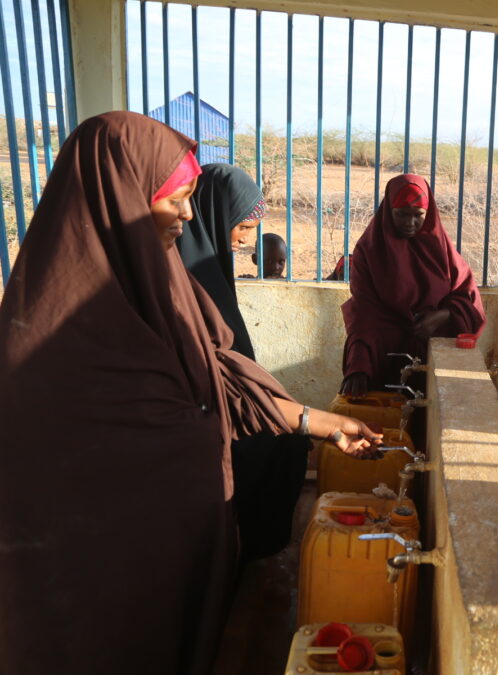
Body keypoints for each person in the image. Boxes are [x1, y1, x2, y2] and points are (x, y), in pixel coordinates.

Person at [0, 112, 382, 674]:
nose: (187, 212)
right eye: (174, 198)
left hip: (180, 564)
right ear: (123, 199)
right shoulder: (49, 333)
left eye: (191, 198)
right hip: (100, 591)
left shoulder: (167, 284)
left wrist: (323, 424)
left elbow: (222, 383)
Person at [177, 163, 311, 564]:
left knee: (286, 433)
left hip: (217, 400)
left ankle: (250, 547)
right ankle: (245, 547)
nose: (245, 241)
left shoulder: (209, 265)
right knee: (275, 440)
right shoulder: (182, 268)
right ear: (216, 216)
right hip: (195, 412)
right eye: (242, 228)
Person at [340, 174, 486, 397]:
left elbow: (468, 298)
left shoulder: (442, 250)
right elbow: (364, 312)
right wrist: (357, 367)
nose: (410, 223)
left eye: (418, 215)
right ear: (389, 211)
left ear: (428, 214)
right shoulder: (369, 251)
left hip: (433, 356)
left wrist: (443, 316)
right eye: (401, 215)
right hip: (385, 356)